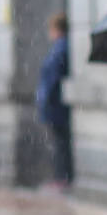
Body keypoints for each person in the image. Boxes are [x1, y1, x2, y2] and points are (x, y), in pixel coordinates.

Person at [36, 14, 73, 188]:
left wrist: (45, 98)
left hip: (56, 105)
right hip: (55, 104)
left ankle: (62, 178)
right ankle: (61, 177)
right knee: (59, 142)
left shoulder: (61, 48)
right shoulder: (60, 48)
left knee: (60, 143)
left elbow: (53, 77)